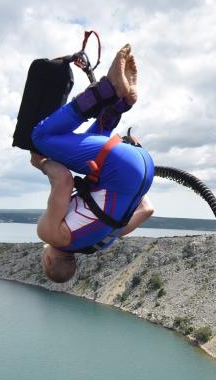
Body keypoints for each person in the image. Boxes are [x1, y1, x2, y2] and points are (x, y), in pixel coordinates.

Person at [29, 44, 155, 283]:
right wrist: (42, 163)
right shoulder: (50, 234)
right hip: (122, 166)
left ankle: (123, 101)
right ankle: (109, 89)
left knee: (95, 156)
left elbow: (147, 209)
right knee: (41, 138)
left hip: (144, 169)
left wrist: (131, 172)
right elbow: (63, 180)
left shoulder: (101, 242)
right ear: (47, 260)